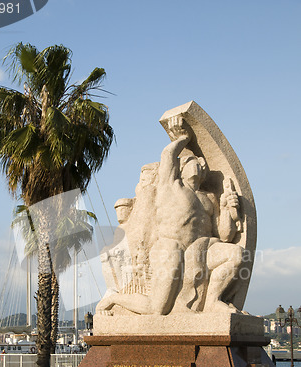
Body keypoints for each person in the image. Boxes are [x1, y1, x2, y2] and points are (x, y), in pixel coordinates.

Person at [97, 116, 243, 315]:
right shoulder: (171, 186)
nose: (200, 163)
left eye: (201, 162)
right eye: (193, 161)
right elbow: (167, 156)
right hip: (171, 247)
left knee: (236, 254)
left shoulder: (210, 198)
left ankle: (212, 301)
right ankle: (113, 299)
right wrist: (182, 139)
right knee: (157, 308)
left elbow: (225, 235)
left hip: (201, 248)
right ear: (181, 168)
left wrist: (228, 209)